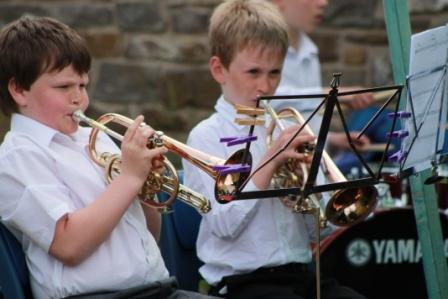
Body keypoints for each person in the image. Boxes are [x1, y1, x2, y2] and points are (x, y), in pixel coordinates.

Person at [0, 16, 219, 299]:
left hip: (156, 289)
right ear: (19, 90)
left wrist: (146, 189)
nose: (80, 99)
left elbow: (150, 235)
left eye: (83, 85)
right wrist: (129, 178)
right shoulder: (18, 157)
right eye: (64, 87)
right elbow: (68, 245)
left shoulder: (93, 138)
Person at [182, 1, 367, 298]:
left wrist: (305, 193)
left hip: (300, 274)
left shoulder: (285, 128)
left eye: (274, 73)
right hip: (243, 283)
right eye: (253, 72)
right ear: (219, 69)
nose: (265, 86)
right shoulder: (206, 136)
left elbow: (318, 232)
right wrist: (268, 163)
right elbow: (224, 224)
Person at [270, 0, 379, 166]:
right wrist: (334, 94)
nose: (323, 3)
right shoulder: (260, 49)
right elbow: (268, 100)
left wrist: (331, 140)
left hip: (310, 165)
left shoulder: (309, 50)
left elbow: (302, 120)